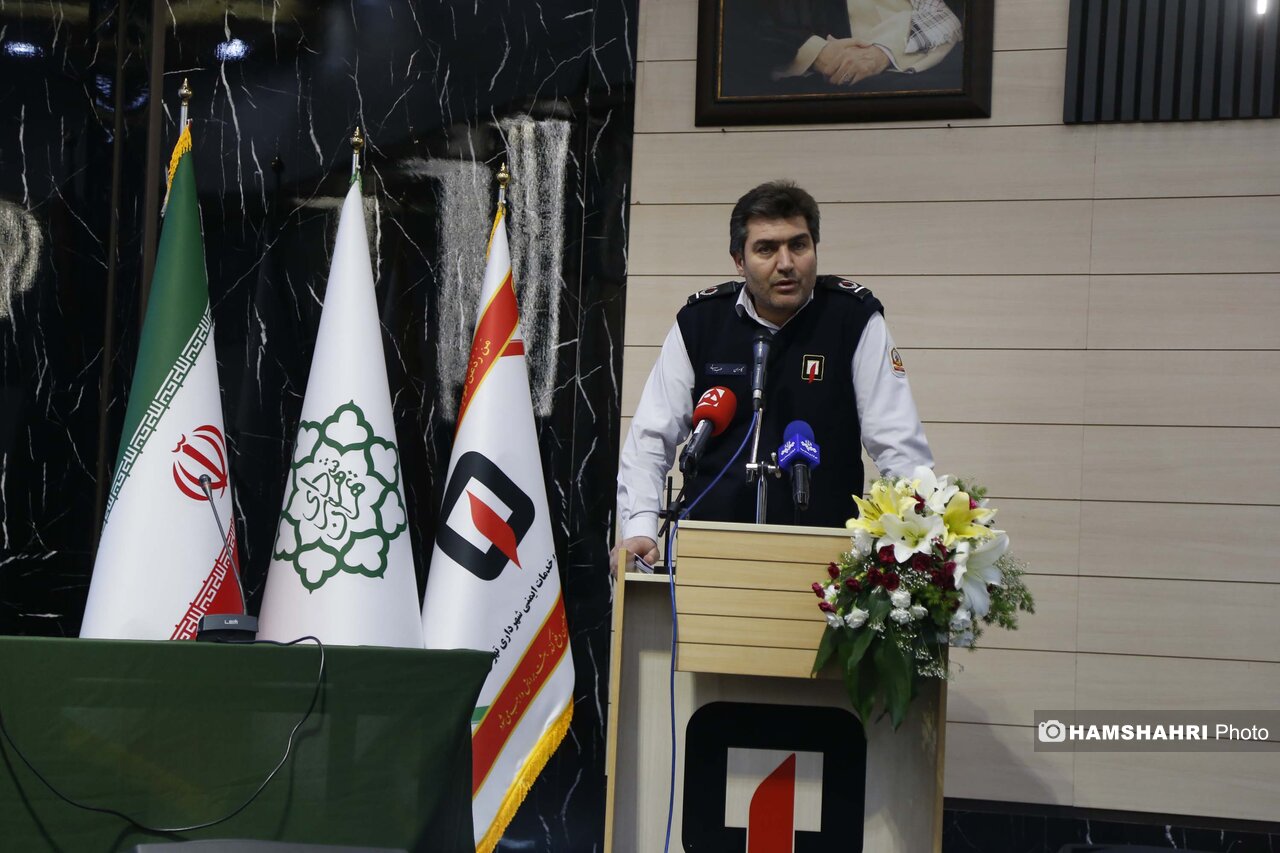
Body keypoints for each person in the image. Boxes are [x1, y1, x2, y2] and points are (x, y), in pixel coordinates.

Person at [613, 181, 932, 570]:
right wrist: (641, 528)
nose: (786, 263)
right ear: (739, 260)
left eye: (798, 245)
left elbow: (897, 444)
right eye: (766, 249)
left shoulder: (854, 319)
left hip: (825, 558)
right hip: (711, 554)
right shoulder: (701, 322)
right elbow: (651, 438)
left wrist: (920, 537)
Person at [723, 0, 963, 94]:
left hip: (907, 73)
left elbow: (945, 16)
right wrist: (815, 52)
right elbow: (732, 29)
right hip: (797, 89)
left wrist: (881, 52)